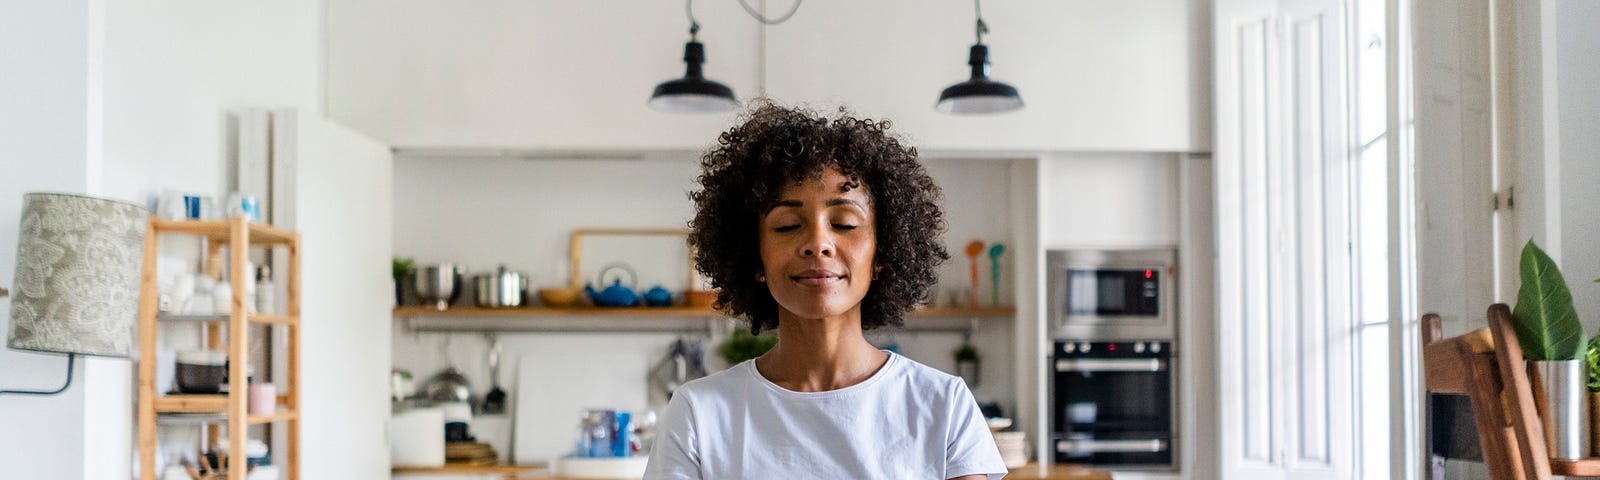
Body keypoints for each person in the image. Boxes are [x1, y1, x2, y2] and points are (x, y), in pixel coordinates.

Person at [643, 100, 1007, 480]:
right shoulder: (698, 414)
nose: (818, 243)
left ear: (882, 253)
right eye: (786, 226)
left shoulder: (943, 404)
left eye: (845, 223)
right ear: (754, 257)